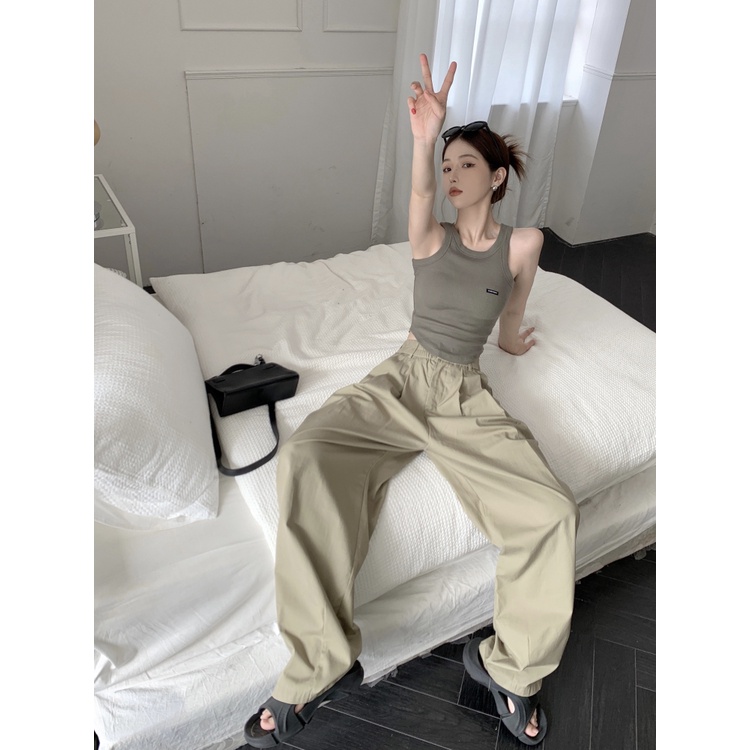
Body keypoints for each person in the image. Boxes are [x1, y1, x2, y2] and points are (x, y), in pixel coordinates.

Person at [244, 54, 579, 748]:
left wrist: (513, 343)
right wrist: (425, 138)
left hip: (463, 392)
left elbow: (511, 313)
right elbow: (421, 193)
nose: (453, 175)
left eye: (466, 164)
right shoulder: (431, 237)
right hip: (402, 379)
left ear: (497, 176)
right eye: (448, 165)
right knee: (306, 456)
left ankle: (510, 669)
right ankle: (319, 663)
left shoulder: (524, 244)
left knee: (549, 512)